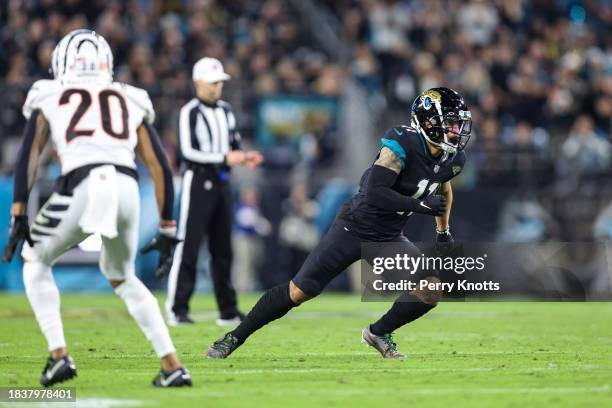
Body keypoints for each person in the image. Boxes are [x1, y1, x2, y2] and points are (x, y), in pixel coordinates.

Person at [206, 87, 472, 359]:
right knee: (299, 291)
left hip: (388, 237)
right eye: (451, 123)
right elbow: (374, 192)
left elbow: (443, 188)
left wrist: (443, 232)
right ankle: (234, 337)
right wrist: (420, 206)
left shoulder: (453, 158)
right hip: (354, 228)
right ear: (428, 122)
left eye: (459, 123)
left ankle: (378, 332)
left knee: (431, 287)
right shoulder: (401, 143)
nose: (457, 130)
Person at [1, 30, 191, 387]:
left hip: (84, 184)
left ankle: (58, 356)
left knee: (34, 259)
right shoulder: (129, 97)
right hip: (128, 188)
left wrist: (18, 211)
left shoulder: (50, 93)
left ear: (62, 62)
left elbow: (29, 153)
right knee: (122, 275)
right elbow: (161, 167)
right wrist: (167, 226)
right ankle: (172, 365)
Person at [165, 57, 263, 326]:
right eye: (212, 82)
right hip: (197, 182)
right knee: (189, 246)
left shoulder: (226, 110)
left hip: (222, 183)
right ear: (198, 83)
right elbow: (188, 152)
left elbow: (234, 144)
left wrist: (244, 157)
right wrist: (224, 157)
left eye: (220, 82)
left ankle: (228, 310)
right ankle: (178, 308)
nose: (217, 87)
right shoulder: (190, 112)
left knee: (223, 250)